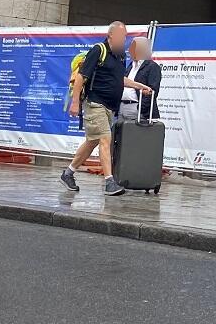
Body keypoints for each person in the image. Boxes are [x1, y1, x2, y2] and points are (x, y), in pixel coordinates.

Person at [61, 22, 153, 196]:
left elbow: (120, 80)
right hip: (95, 104)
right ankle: (109, 182)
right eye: (122, 36)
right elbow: (81, 76)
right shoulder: (99, 50)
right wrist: (75, 103)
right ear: (111, 35)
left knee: (92, 141)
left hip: (109, 108)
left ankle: (68, 173)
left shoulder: (120, 56)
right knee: (105, 139)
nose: (124, 40)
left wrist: (140, 86)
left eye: (125, 36)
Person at [120, 37, 162, 121]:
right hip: (122, 107)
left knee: (134, 133)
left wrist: (140, 108)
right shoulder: (131, 66)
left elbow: (152, 91)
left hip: (136, 109)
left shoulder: (152, 67)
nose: (130, 50)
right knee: (120, 133)